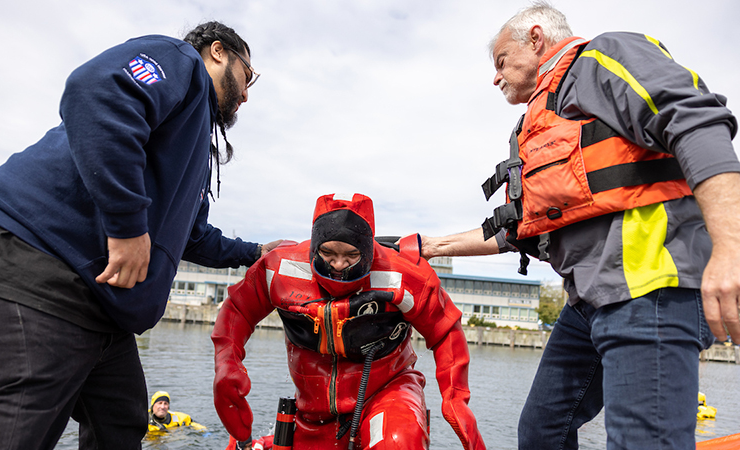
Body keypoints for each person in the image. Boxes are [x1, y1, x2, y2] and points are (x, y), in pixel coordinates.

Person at [0, 21, 280, 450]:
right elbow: (98, 91)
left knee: (120, 424)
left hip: (101, 305)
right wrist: (126, 226)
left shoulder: (192, 146)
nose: (248, 93)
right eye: (248, 76)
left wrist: (255, 252)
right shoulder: (180, 61)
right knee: (7, 438)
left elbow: (192, 236)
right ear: (217, 52)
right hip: (32, 263)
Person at [420, 2, 739, 449]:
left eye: (501, 61)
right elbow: (518, 229)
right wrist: (430, 246)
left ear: (535, 38)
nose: (495, 77)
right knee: (541, 432)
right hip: (588, 303)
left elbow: (697, 122)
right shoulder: (541, 118)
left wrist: (730, 250)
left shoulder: (604, 57)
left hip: (649, 286)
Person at [212, 193, 486, 450]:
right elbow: (237, 310)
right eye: (328, 254)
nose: (339, 264)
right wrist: (227, 364)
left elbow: (445, 329)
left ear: (367, 251)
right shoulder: (278, 269)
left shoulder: (405, 274)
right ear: (314, 246)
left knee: (397, 440)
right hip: (312, 411)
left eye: (351, 256)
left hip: (387, 394)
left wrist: (455, 398)